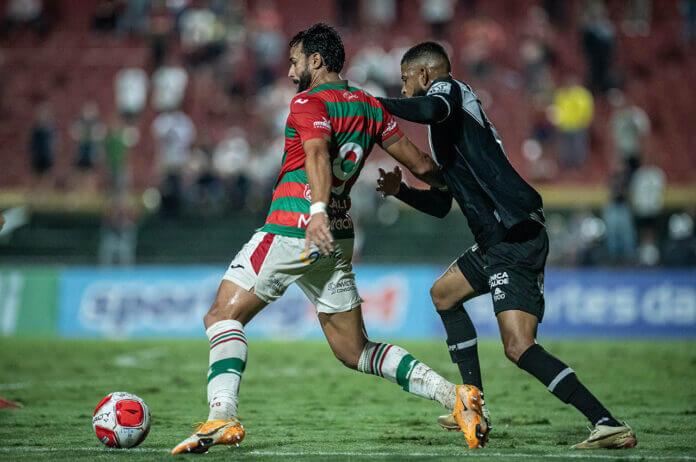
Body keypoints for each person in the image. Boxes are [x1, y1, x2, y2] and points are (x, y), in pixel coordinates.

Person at [171, 23, 486, 454]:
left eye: (294, 61)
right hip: (338, 238)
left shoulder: (307, 102)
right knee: (355, 350)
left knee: (221, 317)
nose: (289, 72)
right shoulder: (370, 106)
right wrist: (455, 185)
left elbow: (317, 153)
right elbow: (422, 165)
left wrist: (315, 211)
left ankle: (222, 417)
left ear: (316, 61)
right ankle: (456, 396)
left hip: (294, 226)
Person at [375, 41, 636, 450]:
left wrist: (375, 104)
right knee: (443, 295)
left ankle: (605, 422)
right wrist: (402, 193)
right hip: (496, 240)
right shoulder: (445, 131)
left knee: (519, 347)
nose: (405, 89)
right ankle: (474, 406)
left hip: (514, 234)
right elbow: (444, 203)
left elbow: (429, 107)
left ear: (426, 75)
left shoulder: (449, 92)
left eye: (407, 80)